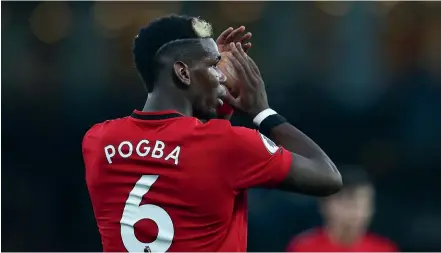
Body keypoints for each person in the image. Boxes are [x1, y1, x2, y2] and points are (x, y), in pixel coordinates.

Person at [82, 14, 342, 252]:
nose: (221, 77)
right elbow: (328, 176)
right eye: (213, 66)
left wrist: (215, 99)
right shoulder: (227, 145)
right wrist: (262, 111)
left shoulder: (98, 140)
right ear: (183, 73)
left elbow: (187, 154)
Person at [286, 166, 398, 252]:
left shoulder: (385, 249)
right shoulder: (303, 248)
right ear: (326, 204)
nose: (357, 211)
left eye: (363, 204)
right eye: (349, 203)